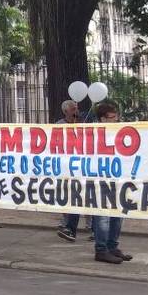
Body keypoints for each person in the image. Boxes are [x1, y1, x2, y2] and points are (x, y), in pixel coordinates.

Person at [91, 101, 131, 264]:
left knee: (118, 215)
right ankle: (101, 250)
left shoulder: (120, 132)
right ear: (101, 119)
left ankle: (112, 247)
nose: (115, 120)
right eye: (111, 118)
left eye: (116, 117)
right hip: (99, 180)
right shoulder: (91, 133)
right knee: (102, 217)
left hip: (117, 179)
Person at [56, 99, 91, 241]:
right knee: (71, 197)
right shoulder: (60, 125)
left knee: (89, 197)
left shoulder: (84, 123)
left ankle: (92, 227)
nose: (76, 110)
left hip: (84, 165)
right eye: (73, 109)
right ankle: (68, 226)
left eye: (76, 108)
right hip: (67, 166)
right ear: (66, 111)